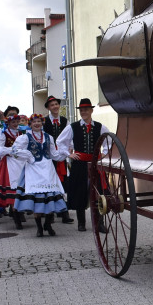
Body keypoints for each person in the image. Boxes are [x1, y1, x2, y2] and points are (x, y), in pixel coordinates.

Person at [57, 98, 111, 232]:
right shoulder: (72, 127)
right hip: (79, 163)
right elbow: (60, 142)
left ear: (91, 110)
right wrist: (69, 154)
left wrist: (104, 155)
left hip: (96, 164)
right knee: (79, 192)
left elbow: (109, 142)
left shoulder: (100, 127)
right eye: (81, 110)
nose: (83, 112)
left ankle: (100, 223)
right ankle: (81, 223)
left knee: (99, 192)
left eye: (86, 109)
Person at [13, 114, 68, 237]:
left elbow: (54, 155)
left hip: (48, 170)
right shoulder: (25, 138)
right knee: (36, 201)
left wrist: (65, 153)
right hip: (33, 171)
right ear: (30, 124)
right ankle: (39, 228)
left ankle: (47, 224)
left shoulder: (49, 137)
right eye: (34, 122)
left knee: (50, 199)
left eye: (39, 121)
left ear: (42, 123)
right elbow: (14, 151)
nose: (37, 123)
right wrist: (28, 155)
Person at [0, 110, 26, 229]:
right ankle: (16, 216)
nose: (15, 124)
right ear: (8, 123)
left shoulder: (22, 132)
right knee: (12, 189)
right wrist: (9, 151)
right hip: (10, 163)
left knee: (22, 188)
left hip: (22, 162)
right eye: (13, 122)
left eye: (17, 122)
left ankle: (20, 213)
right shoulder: (3, 133)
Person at [42, 96, 74, 224]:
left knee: (62, 183)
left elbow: (69, 137)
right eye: (52, 105)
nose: (55, 106)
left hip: (61, 155)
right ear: (49, 108)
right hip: (48, 157)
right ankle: (50, 212)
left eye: (56, 104)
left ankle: (63, 212)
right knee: (50, 183)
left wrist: (70, 148)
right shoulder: (44, 121)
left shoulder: (65, 121)